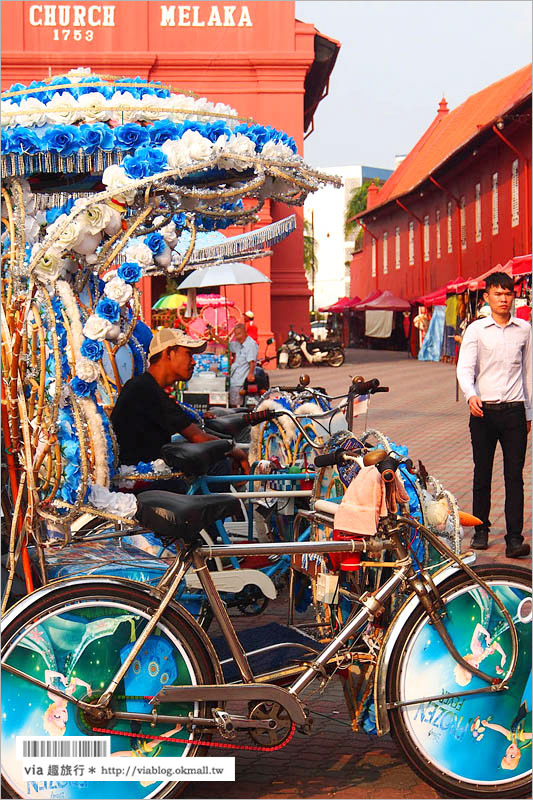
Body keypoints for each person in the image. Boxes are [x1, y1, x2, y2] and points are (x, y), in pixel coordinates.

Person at [456, 272, 532, 558]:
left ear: (513, 297)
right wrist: (470, 394)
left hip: (513, 411)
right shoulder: (477, 330)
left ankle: (514, 539)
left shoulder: (524, 330)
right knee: (482, 473)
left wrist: (528, 412)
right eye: (498, 294)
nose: (504, 299)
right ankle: (481, 530)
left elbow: (529, 374)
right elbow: (465, 368)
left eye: (508, 293)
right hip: (483, 411)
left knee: (514, 476)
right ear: (487, 297)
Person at [111, 327, 249, 478]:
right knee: (219, 463)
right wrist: (236, 452)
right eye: (188, 354)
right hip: (140, 478)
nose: (194, 362)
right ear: (169, 353)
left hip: (150, 471)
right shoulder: (146, 389)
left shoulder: (147, 387)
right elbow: (198, 438)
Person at [229, 322, 258, 407]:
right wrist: (215, 337)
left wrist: (251, 374)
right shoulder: (238, 344)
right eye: (236, 335)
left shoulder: (250, 344)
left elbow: (251, 361)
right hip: (236, 377)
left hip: (241, 380)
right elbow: (227, 345)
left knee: (235, 405)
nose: (238, 337)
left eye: (239, 334)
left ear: (245, 333)